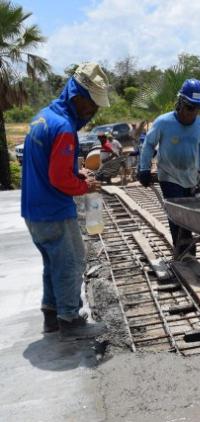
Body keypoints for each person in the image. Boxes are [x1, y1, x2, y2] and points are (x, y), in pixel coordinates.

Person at [21, 62, 110, 339]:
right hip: (54, 210)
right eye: (91, 104)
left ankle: (51, 315)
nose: (93, 111)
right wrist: (84, 184)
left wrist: (75, 171)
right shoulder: (63, 128)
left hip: (33, 211)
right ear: (77, 97)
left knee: (52, 262)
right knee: (71, 262)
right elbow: (60, 180)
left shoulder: (43, 117)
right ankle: (70, 319)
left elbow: (49, 167)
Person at [138, 79, 200, 260]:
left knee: (190, 215)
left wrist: (198, 168)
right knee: (177, 215)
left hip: (190, 177)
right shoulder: (164, 122)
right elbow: (148, 145)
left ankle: (187, 250)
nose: (193, 113)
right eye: (190, 108)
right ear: (180, 104)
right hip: (169, 175)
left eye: (197, 109)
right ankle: (183, 252)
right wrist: (144, 169)